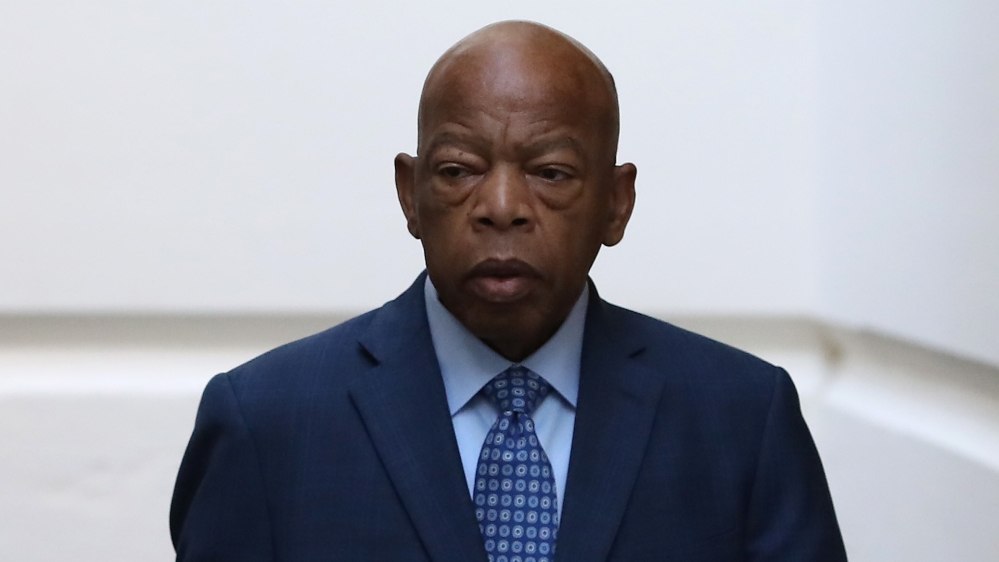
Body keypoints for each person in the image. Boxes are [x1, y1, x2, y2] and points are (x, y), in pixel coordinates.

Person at [170, 20, 847, 561]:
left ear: (616, 204)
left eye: (550, 173)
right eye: (458, 170)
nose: (500, 207)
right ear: (410, 194)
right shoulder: (268, 422)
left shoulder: (739, 419)